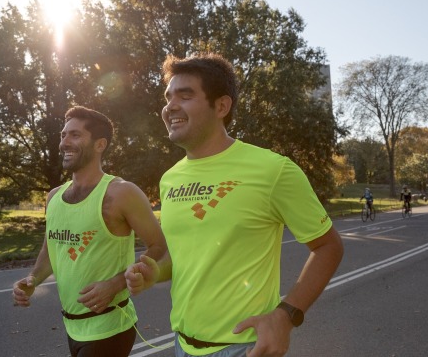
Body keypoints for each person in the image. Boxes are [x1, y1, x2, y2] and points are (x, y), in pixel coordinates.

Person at [125, 53, 344, 357]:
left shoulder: (272, 170)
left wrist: (286, 315)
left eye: (185, 96)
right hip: (182, 345)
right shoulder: (170, 179)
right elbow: (186, 256)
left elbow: (328, 247)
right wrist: (154, 273)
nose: (170, 106)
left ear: (222, 106)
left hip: (244, 349)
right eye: (168, 97)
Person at [12, 106, 167, 357]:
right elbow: (51, 249)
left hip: (110, 327)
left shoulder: (121, 193)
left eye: (75, 135)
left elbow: (159, 246)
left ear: (100, 144)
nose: (64, 143)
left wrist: (115, 284)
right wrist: (32, 280)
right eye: (63, 135)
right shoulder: (54, 197)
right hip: (72, 326)